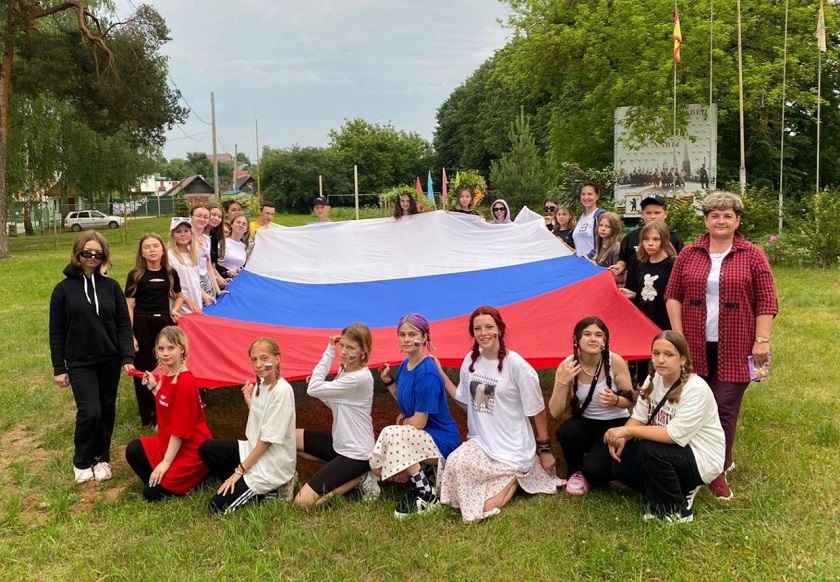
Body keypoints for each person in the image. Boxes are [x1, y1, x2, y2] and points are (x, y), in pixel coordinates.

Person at [665, 191, 778, 500]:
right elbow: (673, 294)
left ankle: (718, 469)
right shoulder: (688, 253)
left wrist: (762, 340)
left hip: (737, 343)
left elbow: (767, 299)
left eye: (728, 215)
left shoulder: (753, 254)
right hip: (694, 344)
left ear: (737, 221)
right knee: (692, 403)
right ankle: (689, 462)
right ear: (706, 220)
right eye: (715, 215)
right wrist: (678, 337)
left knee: (724, 406)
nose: (721, 221)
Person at [439, 306, 561, 523]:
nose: (483, 333)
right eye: (477, 328)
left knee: (487, 506)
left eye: (489, 327)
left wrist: (544, 450)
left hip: (513, 447)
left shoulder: (516, 365)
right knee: (456, 462)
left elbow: (537, 409)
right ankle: (510, 478)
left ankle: (517, 475)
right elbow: (471, 405)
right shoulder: (471, 362)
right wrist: (441, 374)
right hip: (482, 443)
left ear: (500, 330)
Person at [604, 331, 725, 523]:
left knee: (649, 450)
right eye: (656, 353)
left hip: (701, 455)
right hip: (670, 449)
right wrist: (622, 438)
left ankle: (676, 511)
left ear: (683, 359)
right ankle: (677, 488)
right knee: (621, 465)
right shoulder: (654, 379)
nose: (660, 360)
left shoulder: (696, 388)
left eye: (669, 355)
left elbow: (673, 435)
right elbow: (639, 417)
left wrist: (627, 431)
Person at [49, 231, 135, 483]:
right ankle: (81, 460)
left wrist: (127, 357)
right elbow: (56, 331)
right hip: (79, 360)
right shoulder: (62, 290)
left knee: (107, 410)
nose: (92, 257)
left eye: (98, 254)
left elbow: (123, 324)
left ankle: (101, 458)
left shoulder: (111, 287)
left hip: (110, 358)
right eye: (87, 252)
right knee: (90, 412)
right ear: (78, 253)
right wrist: (59, 367)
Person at [372, 314, 460, 518]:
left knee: (395, 434)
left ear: (424, 337)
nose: (406, 339)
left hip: (442, 438)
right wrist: (388, 381)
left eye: (412, 334)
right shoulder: (405, 365)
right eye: (402, 334)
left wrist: (403, 421)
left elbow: (418, 422)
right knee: (394, 435)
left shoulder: (427, 372)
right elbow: (408, 403)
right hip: (422, 435)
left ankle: (426, 494)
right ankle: (424, 478)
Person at [198, 337, 297, 514]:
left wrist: (240, 470)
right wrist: (248, 398)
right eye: (254, 359)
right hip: (252, 449)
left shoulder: (282, 391)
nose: (259, 365)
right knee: (207, 449)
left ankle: (277, 488)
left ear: (277, 359)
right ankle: (239, 483)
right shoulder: (260, 384)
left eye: (264, 358)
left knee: (216, 508)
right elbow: (262, 417)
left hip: (272, 463)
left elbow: (267, 440)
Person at [548, 316, 634, 495]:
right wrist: (562, 382)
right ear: (577, 339)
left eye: (598, 335)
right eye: (587, 334)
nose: (593, 339)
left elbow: (631, 400)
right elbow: (555, 411)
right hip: (586, 422)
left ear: (605, 340)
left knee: (595, 470)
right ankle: (576, 471)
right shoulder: (568, 365)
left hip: (615, 423)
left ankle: (605, 468)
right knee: (567, 431)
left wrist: (615, 400)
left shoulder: (615, 361)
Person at [124, 326, 212, 502]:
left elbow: (180, 431)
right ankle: (159, 480)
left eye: (171, 348)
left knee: (151, 494)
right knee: (134, 450)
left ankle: (201, 476)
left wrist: (166, 462)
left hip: (189, 448)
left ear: (182, 349)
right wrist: (153, 387)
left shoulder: (185, 382)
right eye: (161, 348)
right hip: (169, 441)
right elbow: (168, 404)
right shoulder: (170, 374)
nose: (165, 353)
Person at [295, 324, 377, 507]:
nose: (344, 352)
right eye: (343, 345)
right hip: (340, 445)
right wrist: (324, 391)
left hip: (358, 454)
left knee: (302, 502)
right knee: (287, 438)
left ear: (363, 351)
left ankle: (360, 478)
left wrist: (329, 351)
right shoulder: (345, 370)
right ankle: (286, 479)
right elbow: (336, 404)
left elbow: (312, 389)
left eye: (351, 347)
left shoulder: (359, 378)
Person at [125, 233, 186, 427]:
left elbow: (179, 296)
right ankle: (149, 414)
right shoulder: (136, 275)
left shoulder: (170, 273)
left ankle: (165, 408)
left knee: (166, 366)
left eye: (155, 246)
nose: (152, 250)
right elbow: (129, 306)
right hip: (142, 323)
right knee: (144, 368)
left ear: (162, 250)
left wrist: (175, 310)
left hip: (165, 324)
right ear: (142, 253)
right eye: (147, 247)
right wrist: (130, 334)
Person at [611, 194, 684, 288]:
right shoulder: (631, 237)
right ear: (642, 214)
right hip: (633, 289)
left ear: (665, 214)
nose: (653, 216)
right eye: (648, 213)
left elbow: (681, 266)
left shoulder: (674, 238)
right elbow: (623, 259)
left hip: (662, 292)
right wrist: (620, 266)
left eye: (657, 213)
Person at [621, 221, 677, 332]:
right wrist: (633, 294)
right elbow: (645, 293)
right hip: (644, 321)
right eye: (646, 239)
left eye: (656, 239)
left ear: (664, 240)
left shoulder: (672, 265)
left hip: (664, 323)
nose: (650, 243)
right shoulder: (642, 265)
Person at [167, 217, 211, 315]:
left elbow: (195, 280)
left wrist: (204, 295)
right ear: (173, 235)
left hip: (196, 305)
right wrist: (187, 301)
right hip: (180, 307)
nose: (183, 234)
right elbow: (171, 287)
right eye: (178, 231)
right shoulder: (169, 256)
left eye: (186, 231)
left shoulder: (193, 254)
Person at [190, 204, 223, 299]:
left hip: (207, 282)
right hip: (193, 283)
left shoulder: (207, 239)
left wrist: (218, 291)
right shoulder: (186, 239)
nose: (202, 219)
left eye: (205, 217)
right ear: (191, 217)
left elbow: (209, 267)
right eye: (198, 216)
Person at [572, 182, 605, 259]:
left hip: (593, 262)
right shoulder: (580, 217)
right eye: (583, 194)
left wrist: (590, 256)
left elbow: (605, 243)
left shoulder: (600, 216)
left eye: (590, 194)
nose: (586, 197)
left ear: (597, 196)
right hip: (581, 262)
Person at [594, 211, 623, 283]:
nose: (603, 229)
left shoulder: (616, 249)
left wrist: (596, 268)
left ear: (615, 228)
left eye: (608, 226)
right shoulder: (600, 243)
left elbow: (619, 277)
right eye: (601, 225)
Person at [218, 212, 249, 277]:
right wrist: (227, 272)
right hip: (221, 277)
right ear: (232, 225)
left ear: (246, 229)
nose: (240, 225)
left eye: (244, 224)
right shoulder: (222, 242)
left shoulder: (244, 247)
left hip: (236, 279)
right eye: (238, 222)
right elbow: (213, 263)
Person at [206, 202, 228, 280]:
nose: (216, 218)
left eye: (219, 217)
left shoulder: (214, 236)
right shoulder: (197, 236)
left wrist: (221, 279)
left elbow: (213, 265)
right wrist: (216, 279)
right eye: (213, 215)